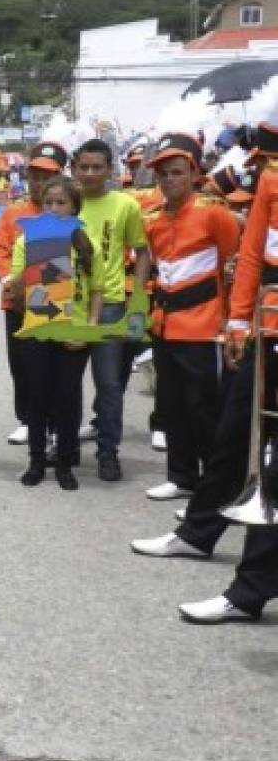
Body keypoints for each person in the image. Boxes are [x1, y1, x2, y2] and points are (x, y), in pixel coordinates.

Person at [164, 119, 278, 624]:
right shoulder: (272, 181)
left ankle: (246, 582)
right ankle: (223, 560)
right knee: (239, 440)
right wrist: (237, 324)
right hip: (268, 331)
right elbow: (253, 254)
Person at [138, 134, 239, 503]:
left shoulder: (214, 214)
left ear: (194, 174)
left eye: (177, 172)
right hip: (165, 325)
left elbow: (233, 268)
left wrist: (231, 322)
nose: (169, 180)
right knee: (172, 405)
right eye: (163, 174)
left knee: (205, 409)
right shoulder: (152, 220)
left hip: (205, 327)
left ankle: (216, 487)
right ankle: (181, 476)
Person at [9, 176, 104, 490]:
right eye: (48, 203)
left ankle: (65, 461)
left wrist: (88, 330)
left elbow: (96, 292)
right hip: (39, 331)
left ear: (74, 207)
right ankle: (36, 460)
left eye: (61, 203)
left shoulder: (86, 244)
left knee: (67, 398)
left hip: (75, 334)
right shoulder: (26, 241)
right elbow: (19, 294)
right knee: (37, 396)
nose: (53, 208)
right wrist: (26, 272)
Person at [72, 138, 151, 482]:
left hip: (113, 306)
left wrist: (138, 297)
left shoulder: (125, 205)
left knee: (109, 384)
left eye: (97, 167)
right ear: (74, 168)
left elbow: (142, 251)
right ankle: (65, 446)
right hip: (70, 307)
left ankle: (108, 452)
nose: (89, 174)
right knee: (67, 381)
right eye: (83, 167)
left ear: (109, 170)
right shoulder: (64, 202)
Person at [0, 141, 64, 446]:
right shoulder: (14, 212)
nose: (39, 183)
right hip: (17, 300)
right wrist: (12, 282)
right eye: (34, 176)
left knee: (54, 366)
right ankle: (26, 418)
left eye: (47, 176)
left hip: (56, 298)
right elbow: (1, 248)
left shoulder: (65, 211)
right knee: (20, 363)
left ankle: (54, 421)